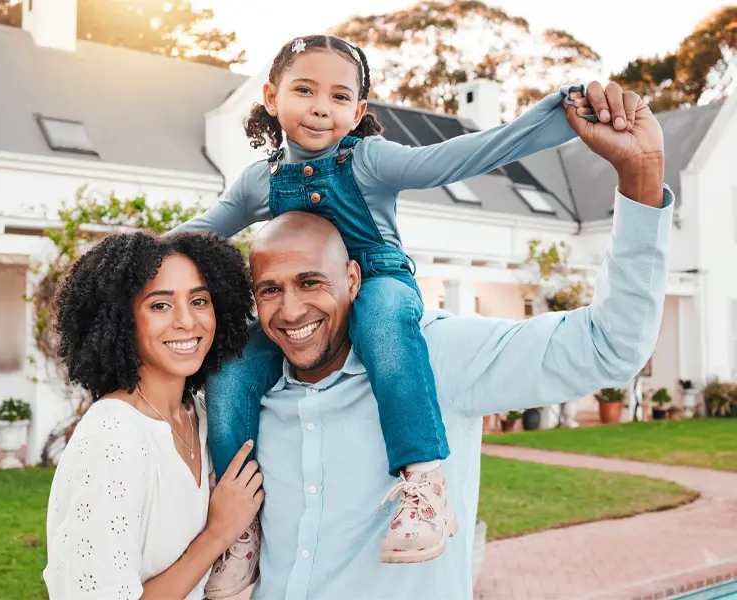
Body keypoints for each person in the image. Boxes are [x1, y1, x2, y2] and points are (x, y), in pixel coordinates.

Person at [172, 33, 609, 592]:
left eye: (338, 97)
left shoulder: (369, 160)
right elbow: (200, 233)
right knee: (232, 362)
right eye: (304, 91)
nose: (320, 107)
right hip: (308, 298)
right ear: (272, 97)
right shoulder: (261, 179)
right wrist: (127, 261)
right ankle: (242, 529)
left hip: (380, 282)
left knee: (379, 321)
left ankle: (424, 484)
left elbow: (462, 156)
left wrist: (559, 115)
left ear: (358, 112)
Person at [240, 80, 671, 600]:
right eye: (269, 290)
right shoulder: (242, 389)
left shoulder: (438, 357)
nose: (291, 310)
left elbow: (611, 346)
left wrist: (640, 176)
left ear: (353, 279)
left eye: (312, 282)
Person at [43, 231, 264, 600]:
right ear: (121, 320)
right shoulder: (114, 435)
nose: (186, 321)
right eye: (160, 305)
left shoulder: (204, 416)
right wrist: (218, 533)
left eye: (199, 300)